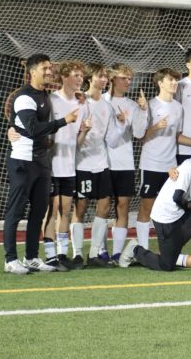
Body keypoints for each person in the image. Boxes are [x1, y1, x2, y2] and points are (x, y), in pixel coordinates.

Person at [3, 53, 78, 274]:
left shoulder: (45, 95)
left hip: (42, 162)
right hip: (22, 161)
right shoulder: (24, 97)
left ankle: (32, 257)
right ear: (32, 71)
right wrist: (64, 121)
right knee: (15, 211)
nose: (49, 71)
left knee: (39, 211)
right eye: (45, 68)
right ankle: (10, 260)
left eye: (50, 68)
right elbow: (34, 129)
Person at [119, 136, 191, 273]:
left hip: (182, 212)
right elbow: (177, 197)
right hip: (165, 216)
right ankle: (135, 249)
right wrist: (190, 208)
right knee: (167, 265)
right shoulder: (189, 166)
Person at [135, 68, 191, 251]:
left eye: (175, 80)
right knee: (146, 207)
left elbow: (177, 136)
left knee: (173, 207)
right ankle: (142, 249)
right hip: (151, 164)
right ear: (160, 83)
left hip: (170, 165)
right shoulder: (150, 105)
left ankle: (169, 248)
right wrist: (156, 127)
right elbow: (140, 137)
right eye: (170, 80)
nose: (174, 83)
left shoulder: (178, 108)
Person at [71, 63, 124, 268]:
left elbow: (110, 139)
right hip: (82, 163)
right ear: (90, 79)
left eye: (105, 77)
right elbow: (72, 135)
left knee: (104, 206)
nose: (104, 80)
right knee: (81, 207)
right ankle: (77, 254)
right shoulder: (80, 101)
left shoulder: (107, 106)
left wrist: (121, 125)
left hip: (102, 164)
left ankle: (94, 253)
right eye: (100, 76)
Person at [103, 63, 148, 264]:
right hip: (101, 162)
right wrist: (120, 124)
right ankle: (100, 251)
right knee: (102, 207)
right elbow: (105, 138)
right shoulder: (101, 101)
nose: (128, 82)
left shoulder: (131, 104)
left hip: (125, 163)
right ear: (112, 79)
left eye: (130, 78)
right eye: (123, 78)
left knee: (123, 206)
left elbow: (139, 133)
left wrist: (143, 110)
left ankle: (117, 253)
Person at [43, 60, 86, 270]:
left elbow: (76, 143)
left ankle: (62, 254)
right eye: (75, 75)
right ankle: (50, 256)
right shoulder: (51, 100)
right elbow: (44, 131)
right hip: (50, 165)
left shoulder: (81, 105)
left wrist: (84, 132)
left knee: (66, 210)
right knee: (52, 210)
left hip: (69, 167)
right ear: (63, 77)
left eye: (81, 76)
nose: (79, 79)